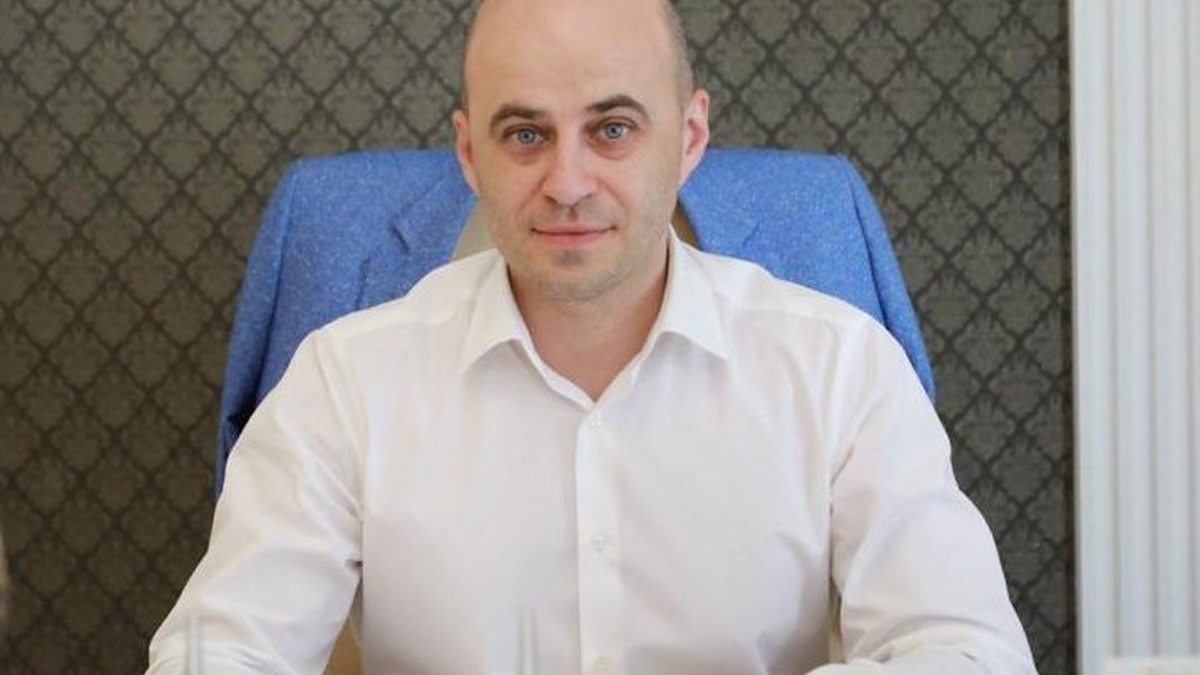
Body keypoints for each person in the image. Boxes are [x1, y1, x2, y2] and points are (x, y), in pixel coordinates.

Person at [147, 0, 1038, 673]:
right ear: (469, 154)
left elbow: (966, 650)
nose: (567, 182)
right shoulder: (345, 379)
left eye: (612, 130)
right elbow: (219, 652)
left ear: (689, 137)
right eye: (524, 134)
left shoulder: (839, 366)